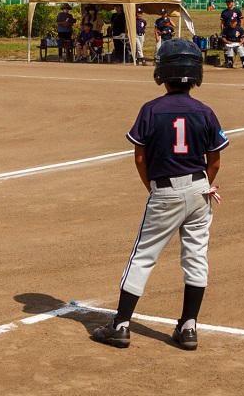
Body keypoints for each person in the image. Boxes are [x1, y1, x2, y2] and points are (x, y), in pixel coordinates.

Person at [89, 39, 226, 352]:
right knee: (195, 256)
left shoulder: (151, 110)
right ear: (195, 74)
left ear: (162, 72)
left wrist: (153, 188)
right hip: (200, 189)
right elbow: (215, 159)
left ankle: (121, 326)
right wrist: (204, 185)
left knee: (144, 254)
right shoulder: (204, 111)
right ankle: (188, 327)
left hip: (164, 190)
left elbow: (140, 157)